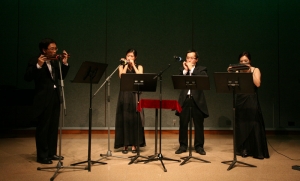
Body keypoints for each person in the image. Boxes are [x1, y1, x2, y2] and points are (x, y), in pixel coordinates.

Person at [24, 38, 70, 164]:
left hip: (55, 96)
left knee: (53, 126)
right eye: (52, 49)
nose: (55, 51)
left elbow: (61, 77)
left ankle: (51, 152)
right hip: (43, 99)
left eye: (56, 48)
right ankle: (42, 156)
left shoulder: (55, 62)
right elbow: (27, 77)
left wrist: (65, 63)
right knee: (43, 127)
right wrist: (38, 66)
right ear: (44, 50)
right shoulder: (35, 60)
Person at [228, 51, 269, 159]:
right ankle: (243, 149)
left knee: (254, 123)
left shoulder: (255, 69)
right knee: (242, 125)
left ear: (249, 61)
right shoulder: (238, 71)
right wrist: (232, 72)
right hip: (240, 99)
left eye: (245, 61)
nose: (243, 63)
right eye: (241, 61)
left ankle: (257, 151)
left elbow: (257, 83)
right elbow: (231, 84)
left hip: (251, 99)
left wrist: (249, 72)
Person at [175, 50, 209, 155]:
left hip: (197, 100)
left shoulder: (202, 70)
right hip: (185, 100)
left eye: (191, 58)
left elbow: (203, 80)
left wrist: (192, 69)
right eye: (187, 58)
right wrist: (185, 71)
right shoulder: (182, 70)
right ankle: (183, 145)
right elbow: (178, 83)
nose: (189, 60)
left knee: (198, 124)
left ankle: (199, 146)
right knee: (183, 123)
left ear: (196, 60)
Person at [114, 49, 146, 154]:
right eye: (128, 56)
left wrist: (134, 66)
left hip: (134, 95)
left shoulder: (140, 66)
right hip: (124, 95)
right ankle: (125, 144)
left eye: (131, 56)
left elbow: (140, 76)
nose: (129, 58)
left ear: (135, 57)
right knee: (124, 118)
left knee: (134, 119)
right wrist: (127, 65)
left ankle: (134, 144)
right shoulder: (121, 67)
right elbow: (122, 76)